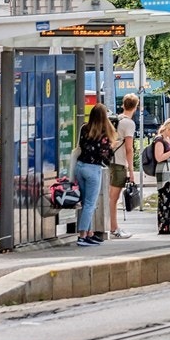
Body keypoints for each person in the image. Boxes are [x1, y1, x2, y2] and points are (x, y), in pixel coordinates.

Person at [74, 105, 113, 247]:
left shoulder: (85, 128)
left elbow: (81, 146)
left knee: (85, 203)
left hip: (80, 167)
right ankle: (82, 235)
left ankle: (89, 233)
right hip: (93, 169)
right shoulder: (104, 133)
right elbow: (105, 155)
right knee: (90, 204)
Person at [106, 94, 138, 240]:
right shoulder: (129, 124)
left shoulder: (114, 120)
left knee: (108, 197)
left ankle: (108, 226)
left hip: (107, 163)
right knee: (114, 198)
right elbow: (129, 149)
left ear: (123, 105)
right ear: (135, 107)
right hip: (119, 164)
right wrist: (131, 170)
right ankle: (113, 227)